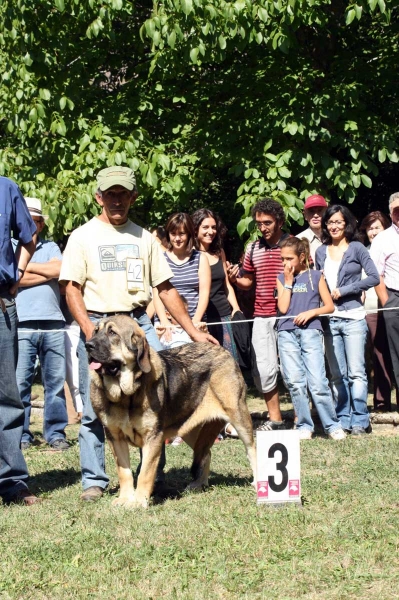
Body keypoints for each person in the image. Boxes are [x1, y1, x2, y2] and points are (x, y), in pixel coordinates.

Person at [59, 166, 217, 502]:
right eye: (110, 194)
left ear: (133, 197)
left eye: (123, 194)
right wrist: (92, 335)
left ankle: (151, 477)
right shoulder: (82, 236)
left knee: (155, 403)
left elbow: (166, 289)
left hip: (138, 327)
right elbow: (71, 288)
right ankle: (94, 480)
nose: (117, 200)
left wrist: (193, 332)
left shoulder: (145, 238)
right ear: (99, 196)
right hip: (100, 326)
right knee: (94, 409)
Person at [315, 205, 379, 435]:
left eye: (338, 222)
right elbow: (318, 282)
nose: (334, 226)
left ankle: (360, 419)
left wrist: (347, 290)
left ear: (347, 224)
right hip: (330, 319)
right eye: (330, 222)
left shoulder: (357, 248)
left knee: (356, 372)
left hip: (353, 317)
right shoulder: (320, 252)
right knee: (337, 373)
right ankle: (343, 417)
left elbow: (373, 277)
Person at [227, 198, 290, 431]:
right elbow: (247, 282)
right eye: (259, 223)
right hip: (261, 316)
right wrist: (234, 278)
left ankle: (305, 417)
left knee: (295, 370)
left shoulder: (294, 244)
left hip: (290, 316)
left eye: (268, 222)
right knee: (264, 370)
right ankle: (276, 420)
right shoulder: (252, 248)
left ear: (280, 222)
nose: (263, 227)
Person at [276, 237, 346, 440]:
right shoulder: (281, 278)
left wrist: (311, 313)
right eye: (282, 259)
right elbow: (282, 308)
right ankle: (304, 425)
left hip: (310, 332)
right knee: (295, 381)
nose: (285, 263)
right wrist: (288, 283)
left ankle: (331, 425)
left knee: (317, 381)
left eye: (289, 258)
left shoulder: (316, 277)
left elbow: (329, 306)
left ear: (302, 257)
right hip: (286, 333)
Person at [15, 198, 70, 451]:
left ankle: (56, 433)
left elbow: (60, 270)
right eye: (28, 220)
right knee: (20, 384)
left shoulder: (51, 247)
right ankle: (22, 434)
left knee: (55, 384)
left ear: (41, 223)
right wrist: (44, 272)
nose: (32, 225)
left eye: (36, 221)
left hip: (54, 324)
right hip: (21, 322)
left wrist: (23, 270)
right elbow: (9, 278)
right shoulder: (11, 245)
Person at [0, 177, 40, 505]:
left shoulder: (6, 188)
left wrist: (17, 275)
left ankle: (11, 481)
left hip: (0, 301)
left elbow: (29, 237)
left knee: (7, 396)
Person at [152, 212, 210, 340]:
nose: (177, 238)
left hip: (195, 322)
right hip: (166, 327)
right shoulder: (160, 259)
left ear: (189, 234)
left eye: (181, 234)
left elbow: (204, 293)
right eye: (173, 234)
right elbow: (156, 293)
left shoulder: (201, 258)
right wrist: (164, 322)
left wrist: (195, 320)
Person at [192, 208, 240, 360]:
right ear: (195, 229)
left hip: (223, 315)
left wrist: (236, 309)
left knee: (228, 363)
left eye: (213, 227)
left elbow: (226, 286)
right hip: (199, 318)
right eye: (205, 227)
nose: (210, 231)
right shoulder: (188, 255)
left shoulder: (219, 252)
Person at [359, 211, 395, 412]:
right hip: (371, 310)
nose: (373, 231)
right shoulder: (362, 252)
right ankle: (381, 403)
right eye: (370, 228)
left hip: (391, 307)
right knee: (378, 356)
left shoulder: (392, 245)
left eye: (377, 227)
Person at [370, 192, 399, 404]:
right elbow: (375, 274)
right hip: (394, 297)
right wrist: (387, 301)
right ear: (391, 213)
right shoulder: (383, 238)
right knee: (397, 353)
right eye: (397, 210)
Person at [296, 194, 328, 263]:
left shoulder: (335, 237)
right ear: (305, 215)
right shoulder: (298, 240)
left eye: (320, 211)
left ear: (326, 213)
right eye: (311, 211)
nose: (315, 215)